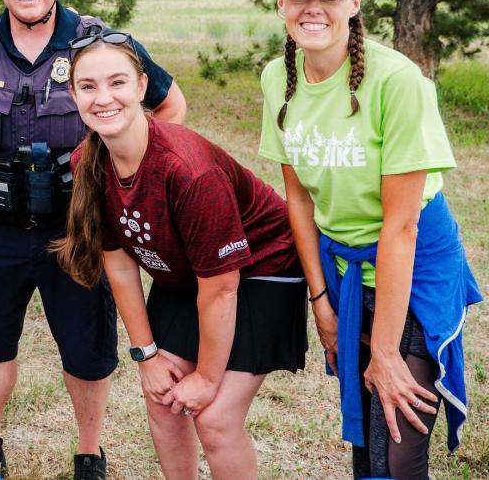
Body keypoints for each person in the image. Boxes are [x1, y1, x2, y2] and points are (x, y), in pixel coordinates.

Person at [0, 0, 186, 479]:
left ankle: (89, 450)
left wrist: (128, 180)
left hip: (79, 226)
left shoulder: (101, 42)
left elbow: (169, 106)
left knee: (86, 350)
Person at [258, 0, 483, 479]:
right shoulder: (276, 78)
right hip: (343, 268)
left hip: (411, 261)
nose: (313, 7)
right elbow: (300, 198)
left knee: (397, 436)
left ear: (356, 3)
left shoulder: (398, 81)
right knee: (366, 434)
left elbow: (401, 227)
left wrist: (385, 351)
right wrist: (321, 302)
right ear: (281, 6)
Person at [51, 35, 306, 479]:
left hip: (263, 269)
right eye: (88, 87)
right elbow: (120, 262)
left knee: (215, 418)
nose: (104, 98)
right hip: (190, 277)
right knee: (164, 397)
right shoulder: (87, 161)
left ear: (142, 85)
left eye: (117, 82)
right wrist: (147, 355)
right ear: (73, 95)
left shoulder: (188, 171)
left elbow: (223, 288)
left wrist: (206, 379)